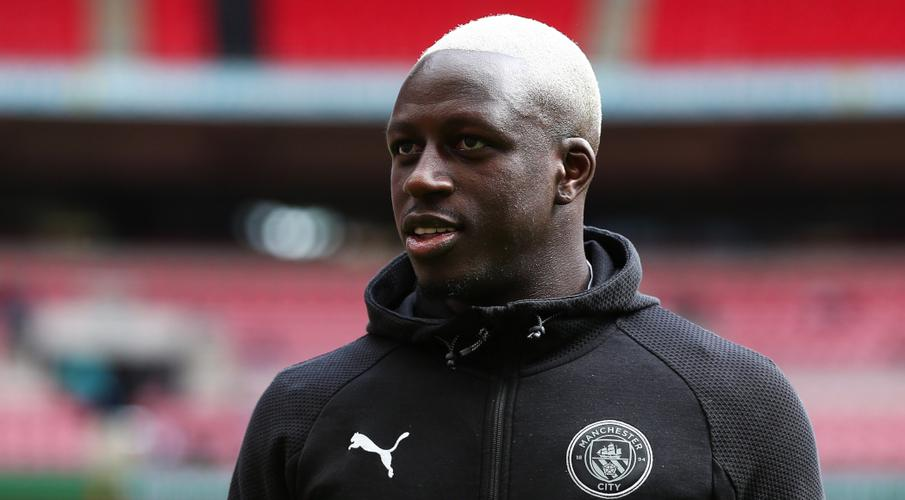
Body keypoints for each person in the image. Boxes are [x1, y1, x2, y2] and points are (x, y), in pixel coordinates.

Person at [230, 15, 823, 499]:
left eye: (469, 143)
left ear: (570, 171)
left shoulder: (736, 403)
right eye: (405, 148)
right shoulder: (302, 411)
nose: (420, 178)